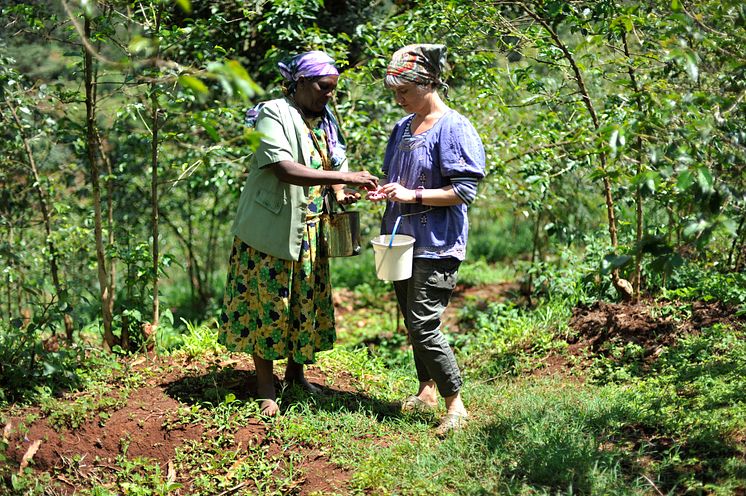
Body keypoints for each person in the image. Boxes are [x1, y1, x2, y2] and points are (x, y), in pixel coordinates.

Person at [220, 51, 378, 416]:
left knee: (303, 305)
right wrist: (342, 178)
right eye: (324, 87)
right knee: (268, 305)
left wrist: (343, 191)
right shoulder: (272, 113)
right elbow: (283, 168)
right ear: (301, 83)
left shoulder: (325, 121)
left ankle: (295, 374)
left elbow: (335, 164)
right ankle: (264, 387)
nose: (329, 95)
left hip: (310, 233)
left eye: (334, 89)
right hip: (271, 232)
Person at [368, 44, 486, 436]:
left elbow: (463, 191)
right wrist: (384, 191)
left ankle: (456, 404)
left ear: (428, 84)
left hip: (436, 242)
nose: (398, 99)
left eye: (404, 91)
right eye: (394, 92)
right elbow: (398, 179)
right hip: (401, 239)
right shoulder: (402, 128)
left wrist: (413, 196)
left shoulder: (453, 127)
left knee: (423, 323)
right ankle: (427, 392)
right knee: (410, 319)